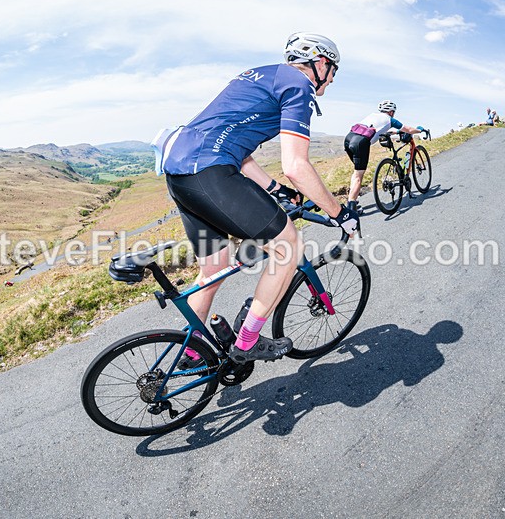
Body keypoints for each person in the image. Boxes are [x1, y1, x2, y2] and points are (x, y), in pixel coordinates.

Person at [158, 32, 358, 365]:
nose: (331, 80)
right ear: (321, 62)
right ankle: (247, 342)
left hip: (180, 173)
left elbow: (241, 151)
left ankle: (194, 351)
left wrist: (276, 191)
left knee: (213, 268)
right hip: (209, 171)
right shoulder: (299, 86)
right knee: (287, 247)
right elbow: (296, 165)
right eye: (333, 71)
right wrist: (339, 213)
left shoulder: (263, 74)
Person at [344, 100, 427, 210]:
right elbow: (409, 130)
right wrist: (419, 130)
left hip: (348, 139)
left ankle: (352, 199)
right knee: (358, 176)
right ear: (391, 112)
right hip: (361, 143)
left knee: (356, 174)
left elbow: (378, 129)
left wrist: (394, 133)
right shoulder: (390, 119)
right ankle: (351, 208)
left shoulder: (372, 115)